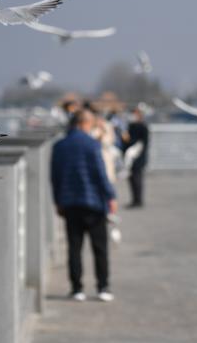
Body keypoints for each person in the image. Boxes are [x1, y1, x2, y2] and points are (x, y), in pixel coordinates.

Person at [50, 109, 117, 301]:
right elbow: (100, 174)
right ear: (85, 124)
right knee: (100, 248)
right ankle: (103, 287)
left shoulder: (59, 146)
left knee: (74, 247)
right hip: (94, 203)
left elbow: (54, 177)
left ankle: (76, 289)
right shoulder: (92, 145)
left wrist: (58, 201)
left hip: (70, 203)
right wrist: (111, 197)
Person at [124, 105, 150, 208]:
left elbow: (142, 143)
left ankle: (138, 200)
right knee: (131, 179)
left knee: (137, 178)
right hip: (129, 157)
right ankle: (134, 199)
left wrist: (129, 141)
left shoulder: (143, 127)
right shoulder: (131, 126)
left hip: (138, 157)